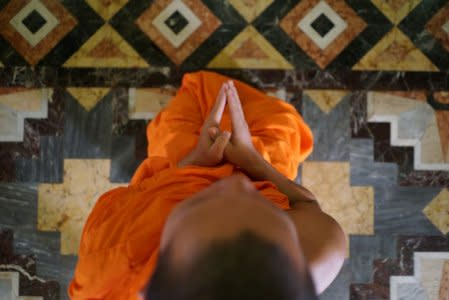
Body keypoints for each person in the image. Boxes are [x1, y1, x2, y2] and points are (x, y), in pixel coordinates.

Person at [69, 71, 346, 300]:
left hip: (177, 172)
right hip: (259, 170)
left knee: (184, 111)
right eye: (269, 215)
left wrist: (191, 165)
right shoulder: (318, 256)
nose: (237, 184)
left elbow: (129, 198)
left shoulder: (110, 267)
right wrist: (254, 162)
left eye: (199, 204)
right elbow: (306, 205)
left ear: (148, 286)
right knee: (279, 125)